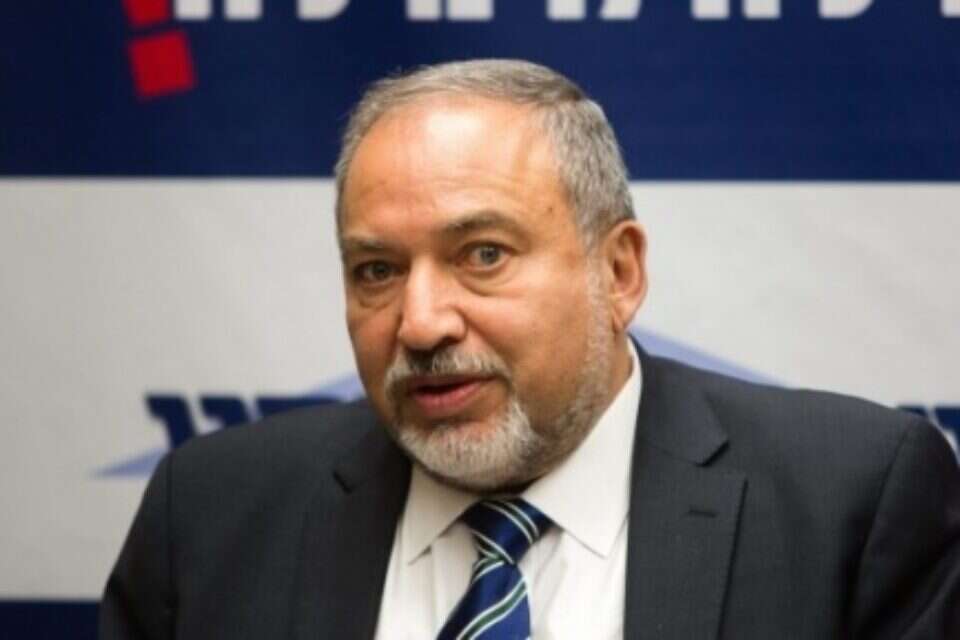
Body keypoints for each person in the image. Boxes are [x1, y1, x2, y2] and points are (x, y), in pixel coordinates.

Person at [100, 60, 960, 639]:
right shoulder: (210, 519)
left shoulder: (850, 507)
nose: (420, 324)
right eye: (377, 270)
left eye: (483, 255)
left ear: (618, 273)